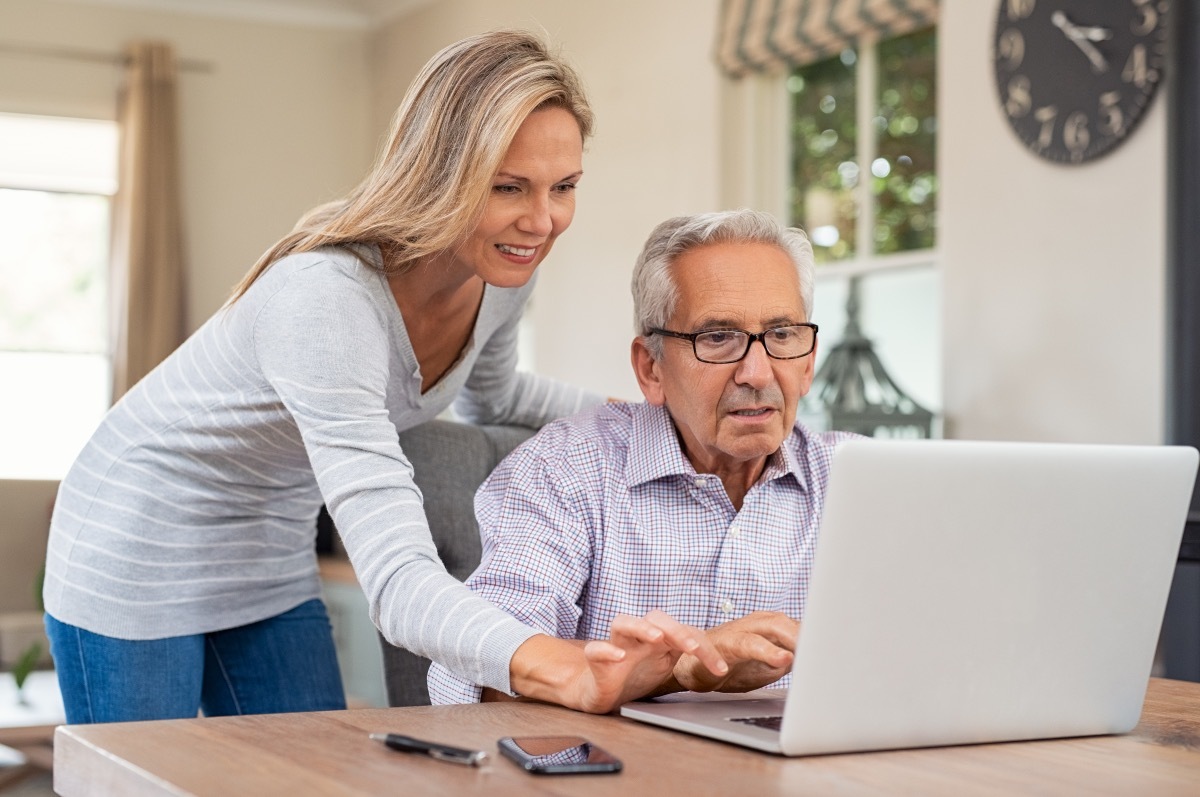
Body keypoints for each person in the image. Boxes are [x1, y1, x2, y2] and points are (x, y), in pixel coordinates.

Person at [42, 30, 725, 725]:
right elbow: (400, 582)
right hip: (136, 536)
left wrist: (659, 415)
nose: (543, 220)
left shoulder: (503, 273)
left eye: (565, 187)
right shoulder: (326, 301)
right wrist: (559, 663)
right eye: (508, 186)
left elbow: (500, 394)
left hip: (267, 549)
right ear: (440, 173)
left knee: (306, 778)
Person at [428, 209, 863, 705]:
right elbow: (476, 672)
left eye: (782, 335)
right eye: (717, 337)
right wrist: (676, 671)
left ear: (808, 363)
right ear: (650, 368)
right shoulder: (564, 469)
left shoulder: (861, 482)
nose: (758, 373)